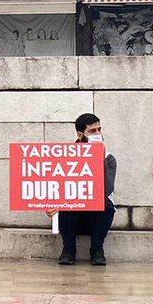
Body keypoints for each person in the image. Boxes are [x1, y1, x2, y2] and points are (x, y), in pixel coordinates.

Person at [56, 113, 117, 266]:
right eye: (92, 131)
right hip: (72, 217)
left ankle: (97, 250)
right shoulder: (66, 156)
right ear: (80, 135)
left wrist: (100, 159)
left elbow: (107, 190)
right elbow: (58, 189)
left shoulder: (109, 159)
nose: (98, 134)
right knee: (69, 201)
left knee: (107, 204)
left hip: (96, 218)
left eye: (99, 129)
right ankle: (68, 250)